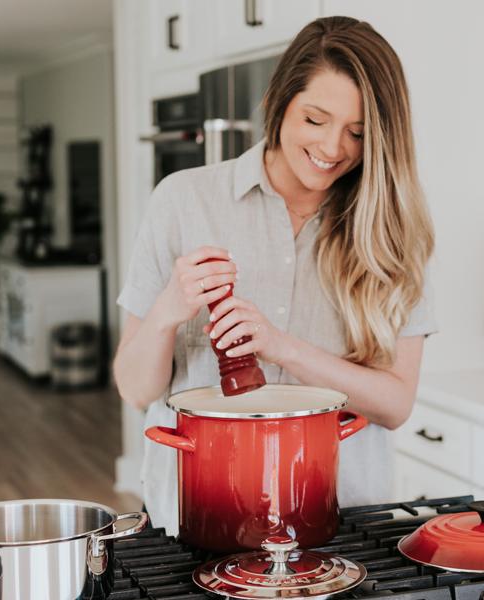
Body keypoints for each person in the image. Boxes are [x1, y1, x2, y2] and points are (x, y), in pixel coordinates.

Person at [113, 16, 436, 534]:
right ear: (279, 103)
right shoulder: (183, 199)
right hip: (198, 518)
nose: (334, 148)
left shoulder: (392, 231)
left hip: (341, 523)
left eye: (358, 132)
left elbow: (396, 404)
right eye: (315, 119)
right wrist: (167, 311)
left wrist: (279, 346)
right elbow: (133, 387)